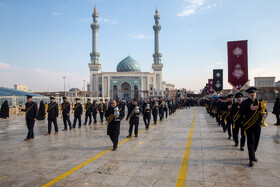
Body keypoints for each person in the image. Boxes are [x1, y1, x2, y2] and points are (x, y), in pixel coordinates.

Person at [240, 87, 266, 167]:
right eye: (251, 93)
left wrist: (265, 114)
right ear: (248, 94)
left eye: (253, 93)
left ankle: (253, 154)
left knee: (256, 141)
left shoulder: (260, 102)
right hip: (249, 125)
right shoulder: (244, 103)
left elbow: (265, 111)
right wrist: (250, 109)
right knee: (251, 142)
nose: (252, 94)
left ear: (256, 93)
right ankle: (251, 159)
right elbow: (241, 112)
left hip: (258, 125)